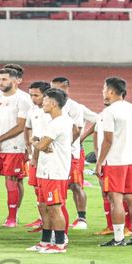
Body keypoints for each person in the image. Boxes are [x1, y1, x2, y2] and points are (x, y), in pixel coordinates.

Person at [0, 67, 32, 227]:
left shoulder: (23, 99)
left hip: (14, 147)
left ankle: (12, 218)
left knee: (12, 181)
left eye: (4, 79)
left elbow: (21, 126)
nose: (0, 83)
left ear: (16, 80)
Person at [96, 77, 132, 247]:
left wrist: (99, 162)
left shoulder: (109, 112)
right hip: (130, 160)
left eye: (103, 89)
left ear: (110, 91)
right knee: (131, 198)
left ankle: (118, 238)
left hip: (115, 161)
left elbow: (108, 140)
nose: (102, 92)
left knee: (115, 199)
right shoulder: (131, 108)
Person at [28, 88, 74, 254]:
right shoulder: (60, 121)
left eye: (45, 100)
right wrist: (41, 144)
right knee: (43, 206)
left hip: (54, 172)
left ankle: (60, 244)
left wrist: (35, 141)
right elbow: (43, 145)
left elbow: (41, 145)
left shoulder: (58, 123)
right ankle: (45, 241)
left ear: (53, 103)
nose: (43, 104)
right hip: (45, 170)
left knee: (54, 207)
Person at [50, 77, 88, 230]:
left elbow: (77, 130)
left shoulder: (74, 107)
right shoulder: (50, 104)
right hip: (55, 153)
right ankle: (52, 218)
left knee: (75, 185)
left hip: (72, 154)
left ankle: (82, 218)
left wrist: (65, 146)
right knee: (56, 185)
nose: (53, 92)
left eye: (57, 88)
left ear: (66, 88)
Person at [23, 81, 52, 232]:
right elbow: (27, 128)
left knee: (53, 198)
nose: (33, 98)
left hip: (48, 160)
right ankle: (44, 224)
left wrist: (35, 154)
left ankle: (59, 232)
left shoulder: (52, 114)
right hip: (36, 157)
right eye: (31, 95)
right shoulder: (33, 111)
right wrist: (28, 146)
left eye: (36, 95)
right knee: (38, 193)